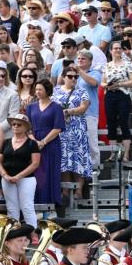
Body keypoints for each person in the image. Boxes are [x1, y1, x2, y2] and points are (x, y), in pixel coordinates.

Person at [54, 68, 93, 204]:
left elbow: (84, 107)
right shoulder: (55, 91)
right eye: (70, 76)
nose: (73, 79)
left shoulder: (82, 91)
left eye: (76, 77)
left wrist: (68, 111)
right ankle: (65, 190)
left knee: (78, 158)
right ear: (63, 77)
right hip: (61, 130)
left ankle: (79, 190)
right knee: (64, 159)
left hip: (77, 130)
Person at [25, 79, 64, 212]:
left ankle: (50, 202)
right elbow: (27, 127)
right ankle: (35, 201)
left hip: (51, 144)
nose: (37, 92)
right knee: (36, 172)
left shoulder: (56, 107)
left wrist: (44, 142)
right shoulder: (30, 107)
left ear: (47, 91)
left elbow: (58, 128)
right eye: (36, 90)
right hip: (34, 143)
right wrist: (35, 142)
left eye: (40, 89)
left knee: (49, 171)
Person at [0, 113, 40, 226]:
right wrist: (5, 176)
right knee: (11, 208)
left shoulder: (32, 143)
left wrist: (18, 176)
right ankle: (14, 235)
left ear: (26, 127)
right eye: (13, 124)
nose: (15, 126)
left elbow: (35, 164)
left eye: (19, 124)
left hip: (26, 179)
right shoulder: (6, 142)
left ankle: (33, 233)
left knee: (27, 207)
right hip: (7, 179)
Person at [101, 39, 132, 162]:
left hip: (123, 95)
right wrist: (107, 85)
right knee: (111, 124)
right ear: (110, 51)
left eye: (119, 48)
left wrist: (120, 84)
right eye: (115, 48)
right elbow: (102, 81)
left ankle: (126, 154)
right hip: (110, 95)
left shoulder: (127, 64)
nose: (117, 50)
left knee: (124, 123)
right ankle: (113, 153)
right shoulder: (107, 65)